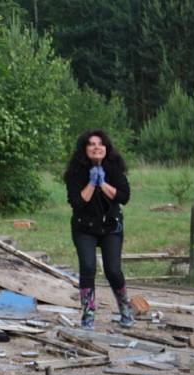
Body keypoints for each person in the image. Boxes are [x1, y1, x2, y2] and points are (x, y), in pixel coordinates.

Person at [64, 130, 134, 330]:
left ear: (106, 148)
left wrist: (103, 183)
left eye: (100, 144)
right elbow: (78, 202)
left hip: (111, 226)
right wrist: (91, 182)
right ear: (84, 149)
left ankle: (125, 309)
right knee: (87, 267)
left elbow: (124, 196)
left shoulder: (114, 169)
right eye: (91, 144)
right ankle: (88, 316)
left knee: (113, 270)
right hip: (84, 227)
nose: (97, 147)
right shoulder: (75, 173)